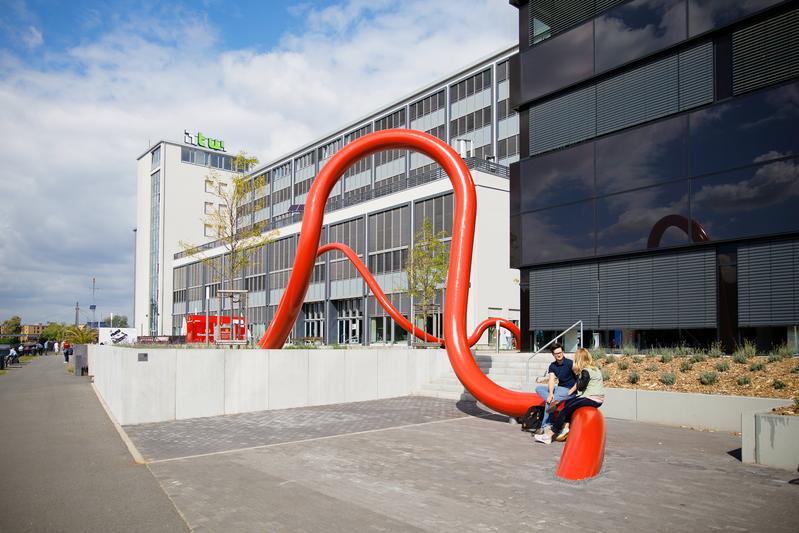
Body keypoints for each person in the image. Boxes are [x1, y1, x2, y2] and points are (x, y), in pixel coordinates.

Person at [534, 347, 605, 444]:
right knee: (568, 404)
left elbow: (580, 387)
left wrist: (573, 386)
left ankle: (549, 435)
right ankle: (566, 426)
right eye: (556, 353)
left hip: (591, 398)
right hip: (596, 397)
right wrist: (551, 394)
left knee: (565, 410)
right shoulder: (595, 369)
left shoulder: (585, 371)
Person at [534, 342, 576, 433]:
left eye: (560, 352)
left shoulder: (570, 363)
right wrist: (550, 393)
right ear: (553, 354)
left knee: (549, 402)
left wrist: (573, 390)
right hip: (559, 389)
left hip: (569, 390)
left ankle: (545, 426)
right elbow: (551, 380)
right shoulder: (552, 366)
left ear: (563, 352)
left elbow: (579, 377)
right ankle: (553, 401)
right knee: (539, 388)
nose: (559, 355)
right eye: (556, 353)